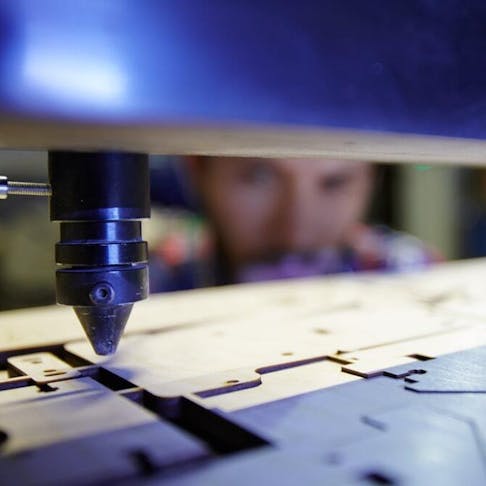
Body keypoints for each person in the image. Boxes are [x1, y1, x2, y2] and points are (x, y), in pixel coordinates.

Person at [149, 156, 441, 292]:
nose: (296, 235)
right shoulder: (154, 289)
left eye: (335, 182)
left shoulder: (419, 277)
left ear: (372, 179)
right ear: (197, 171)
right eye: (259, 177)